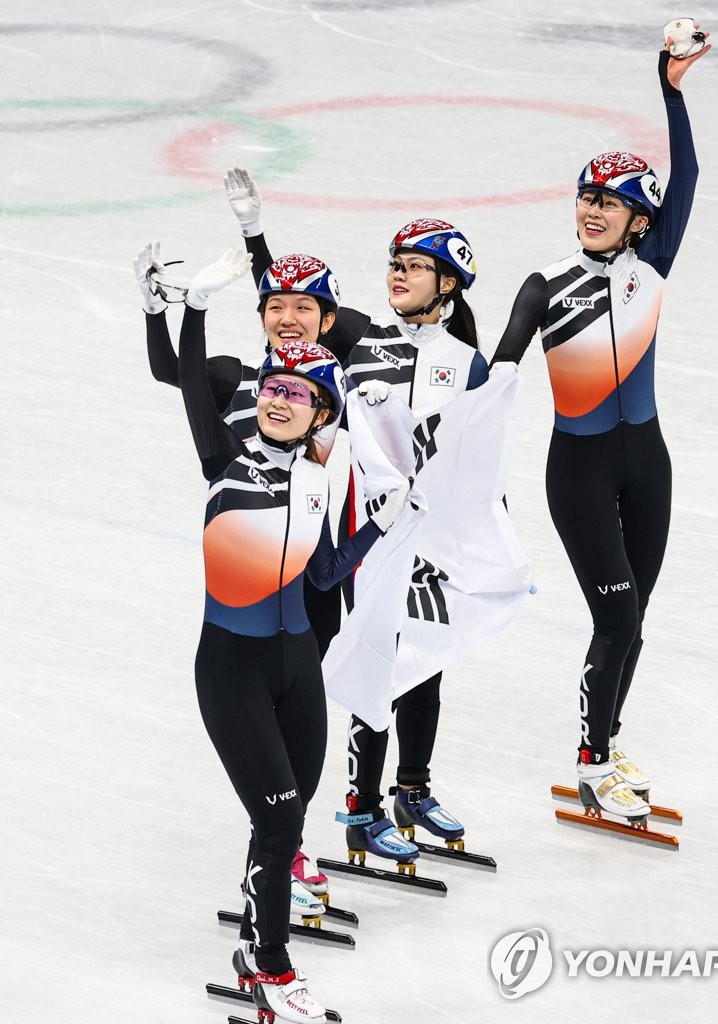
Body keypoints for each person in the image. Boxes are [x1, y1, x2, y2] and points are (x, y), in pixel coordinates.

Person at [141, 245, 408, 1022]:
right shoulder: (222, 457)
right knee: (279, 816)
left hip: (297, 669)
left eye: (299, 392)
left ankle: (265, 918)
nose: (280, 399)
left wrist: (373, 530)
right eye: (273, 388)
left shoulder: (324, 480)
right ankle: (272, 965)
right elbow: (191, 385)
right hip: (232, 670)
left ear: (324, 411)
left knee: (286, 816)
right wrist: (189, 308)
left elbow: (324, 577)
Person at [224, 170, 488, 862]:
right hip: (356, 538)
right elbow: (295, 315)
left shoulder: (459, 359)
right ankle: (359, 806)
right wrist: (257, 241)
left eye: (413, 267)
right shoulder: (360, 343)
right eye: (393, 266)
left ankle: (411, 788)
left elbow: (477, 450)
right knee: (373, 663)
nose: (397, 276)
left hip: (424, 533)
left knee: (424, 665)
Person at [490, 36, 711, 821]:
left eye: (608, 200)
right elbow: (501, 371)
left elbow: (687, 178)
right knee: (615, 616)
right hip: (579, 468)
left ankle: (606, 749)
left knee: (634, 622)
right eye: (585, 194)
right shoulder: (547, 286)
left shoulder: (653, 267)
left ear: (639, 220)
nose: (590, 206)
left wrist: (671, 92)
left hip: (646, 460)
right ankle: (590, 764)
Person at [134, 243, 344, 901]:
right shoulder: (237, 378)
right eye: (275, 305)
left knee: (301, 723)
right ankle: (280, 855)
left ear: (325, 318)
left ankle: (284, 850)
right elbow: (175, 372)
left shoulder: (334, 386)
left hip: (310, 564)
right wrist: (158, 310)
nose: (288, 317)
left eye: (303, 307)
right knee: (267, 736)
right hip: (251, 561)